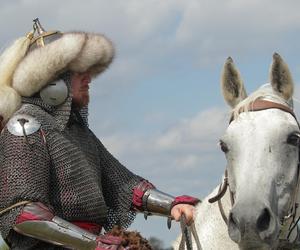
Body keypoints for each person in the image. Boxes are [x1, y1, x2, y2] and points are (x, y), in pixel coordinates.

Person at [0, 19, 199, 250]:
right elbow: (23, 213)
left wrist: (172, 205)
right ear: (51, 80)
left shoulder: (78, 131)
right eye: (78, 73)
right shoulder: (25, 127)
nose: (88, 79)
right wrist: (94, 244)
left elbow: (124, 185)